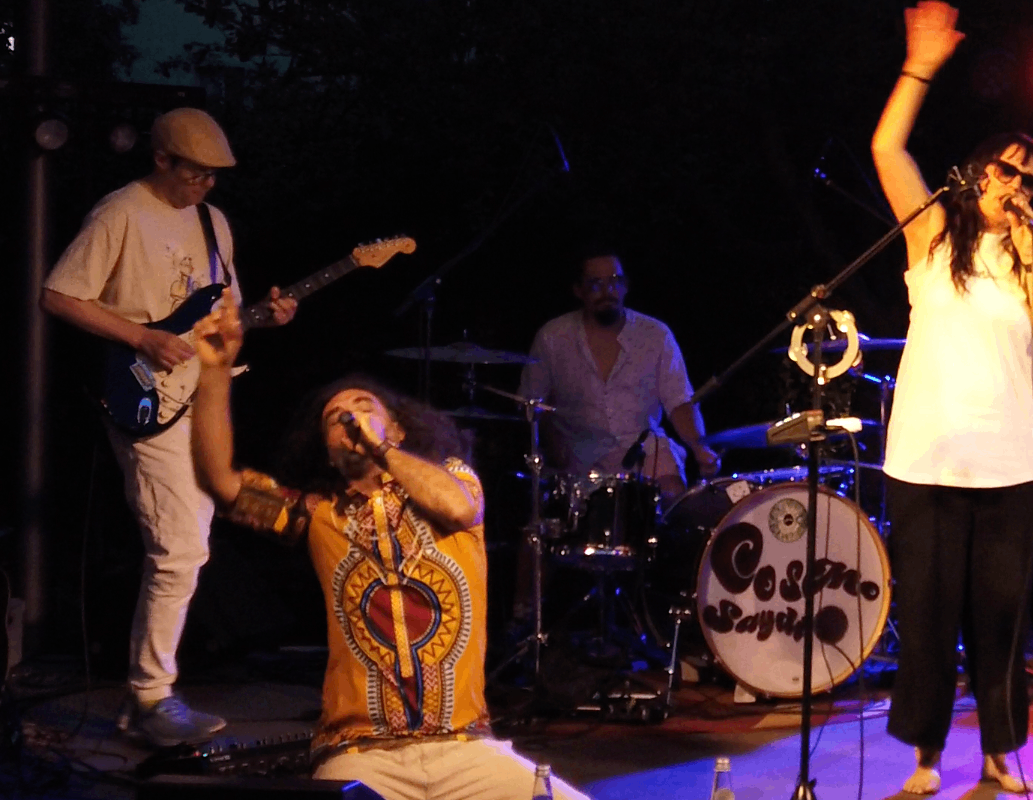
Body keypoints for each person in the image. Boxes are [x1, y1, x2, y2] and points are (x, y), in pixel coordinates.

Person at [188, 307, 592, 800]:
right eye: (334, 418)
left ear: (396, 429)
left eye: (362, 406)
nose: (348, 417)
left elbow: (456, 506)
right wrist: (212, 372)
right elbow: (221, 482)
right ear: (327, 449)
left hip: (464, 747)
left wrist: (383, 453)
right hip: (360, 753)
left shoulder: (455, 479)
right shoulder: (319, 515)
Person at [40, 107, 297, 745]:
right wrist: (141, 337)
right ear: (161, 160)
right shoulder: (121, 212)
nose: (205, 186)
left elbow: (222, 314)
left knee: (196, 540)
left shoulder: (214, 223)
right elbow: (59, 294)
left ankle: (147, 697)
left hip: (200, 394)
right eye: (195, 174)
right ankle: (151, 694)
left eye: (213, 177)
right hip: (143, 394)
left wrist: (269, 315)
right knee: (179, 545)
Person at [871, 2, 1033, 794]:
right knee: (926, 616)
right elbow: (888, 148)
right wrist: (920, 65)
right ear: (980, 169)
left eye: (1030, 178)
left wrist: (1031, 258)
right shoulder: (932, 237)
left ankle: (996, 752)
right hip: (926, 461)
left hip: (1006, 471)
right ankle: (924, 760)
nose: (1014, 183)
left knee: (999, 619)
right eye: (1005, 168)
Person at [518, 251, 719, 501]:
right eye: (595, 283)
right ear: (578, 290)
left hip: (643, 448)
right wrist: (554, 448)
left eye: (614, 281)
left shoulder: (655, 334)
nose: (607, 290)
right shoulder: (552, 338)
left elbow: (679, 401)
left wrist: (699, 447)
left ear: (625, 286)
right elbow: (533, 406)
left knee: (670, 497)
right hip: (577, 457)